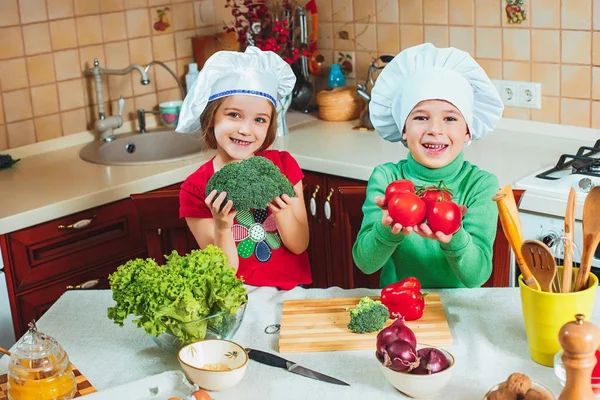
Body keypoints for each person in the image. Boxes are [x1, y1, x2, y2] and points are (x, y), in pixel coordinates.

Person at [352, 43, 505, 289]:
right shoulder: (387, 178)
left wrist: (454, 236)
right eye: (421, 117)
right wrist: (388, 230)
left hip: (458, 311)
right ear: (403, 128)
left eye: (450, 118)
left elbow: (477, 277)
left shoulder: (481, 185)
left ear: (468, 131)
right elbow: (365, 263)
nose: (435, 129)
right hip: (398, 306)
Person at [176, 46, 311, 290]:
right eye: (234, 115)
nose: (245, 130)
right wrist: (222, 226)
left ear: (270, 125)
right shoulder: (196, 188)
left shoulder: (284, 166)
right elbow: (224, 273)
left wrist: (281, 211)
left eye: (259, 119)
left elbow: (299, 245)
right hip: (239, 297)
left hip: (291, 293)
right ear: (211, 117)